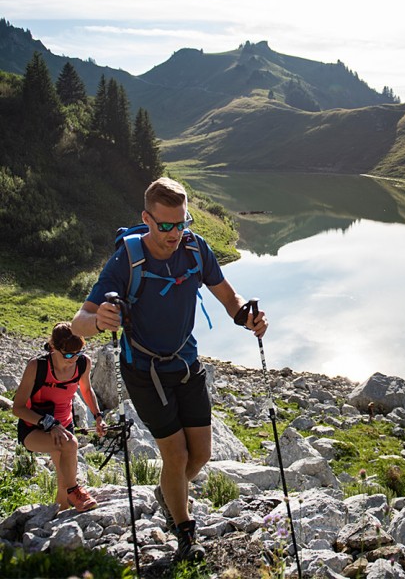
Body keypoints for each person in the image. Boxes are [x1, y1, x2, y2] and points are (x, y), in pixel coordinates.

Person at [71, 176, 268, 562]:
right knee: (175, 456)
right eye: (166, 225)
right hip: (143, 371)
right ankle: (185, 533)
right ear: (147, 219)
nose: (175, 233)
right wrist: (100, 321)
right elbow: (79, 320)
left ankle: (168, 491)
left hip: (185, 361)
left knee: (201, 454)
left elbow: (229, 298)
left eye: (182, 223)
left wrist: (248, 316)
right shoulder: (126, 259)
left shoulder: (195, 249)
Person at [13, 322, 106, 512]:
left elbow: (86, 390)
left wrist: (98, 416)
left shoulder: (82, 363)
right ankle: (76, 492)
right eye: (69, 355)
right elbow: (18, 408)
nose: (73, 359)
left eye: (78, 352)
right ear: (54, 347)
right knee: (70, 444)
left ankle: (61, 512)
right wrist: (49, 423)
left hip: (64, 425)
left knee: (64, 478)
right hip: (34, 429)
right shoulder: (37, 366)